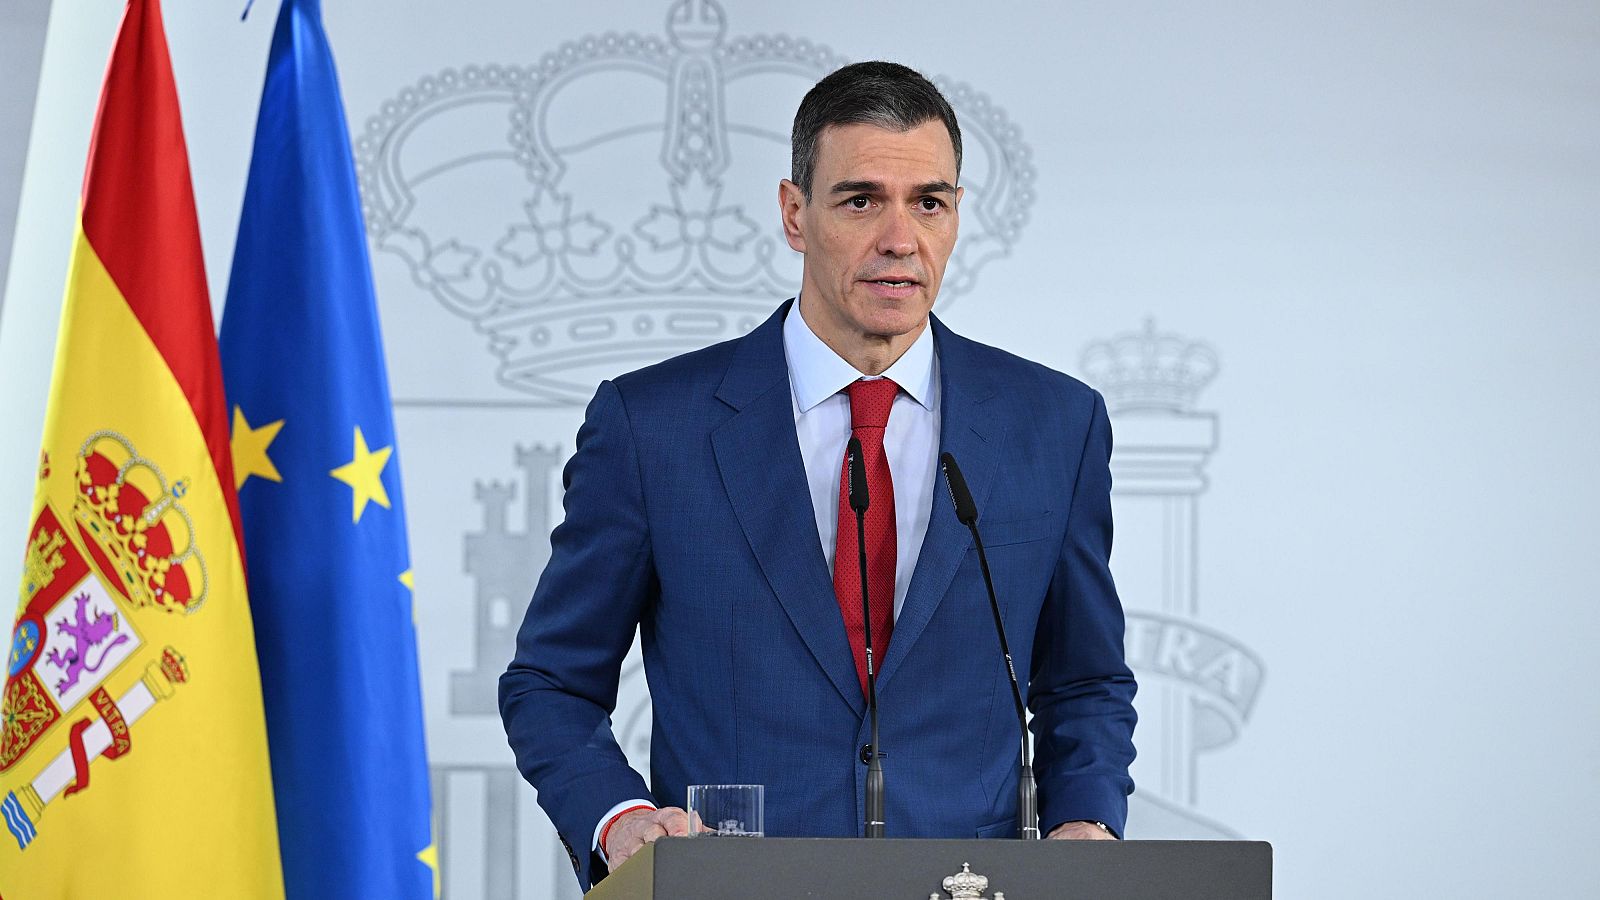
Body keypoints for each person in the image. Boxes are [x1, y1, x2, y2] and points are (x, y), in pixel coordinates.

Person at [499, 60, 1137, 890]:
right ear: (795, 214)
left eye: (929, 203)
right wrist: (621, 821)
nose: (900, 239)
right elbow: (550, 683)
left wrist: (1085, 823)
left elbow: (1085, 679)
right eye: (861, 199)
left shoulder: (1055, 424)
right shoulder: (653, 427)